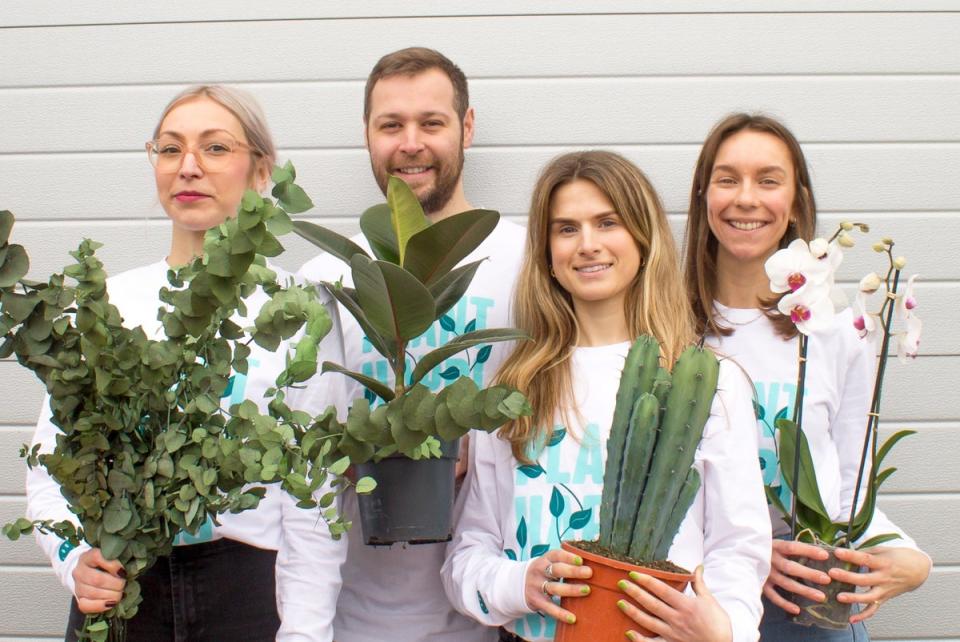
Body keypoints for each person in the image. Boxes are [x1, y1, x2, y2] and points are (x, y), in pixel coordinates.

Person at [25, 85, 347, 641]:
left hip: (246, 592)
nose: (189, 167)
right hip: (122, 591)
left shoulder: (300, 309)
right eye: (170, 149)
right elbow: (52, 461)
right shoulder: (108, 306)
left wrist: (305, 633)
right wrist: (74, 557)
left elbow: (317, 500)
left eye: (216, 148)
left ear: (261, 169)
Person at [442, 150, 772, 642]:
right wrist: (519, 582)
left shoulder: (710, 383)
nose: (588, 245)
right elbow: (468, 553)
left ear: (643, 239)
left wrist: (722, 630)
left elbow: (738, 546)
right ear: (547, 253)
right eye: (566, 228)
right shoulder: (509, 392)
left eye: (607, 222)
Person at [296, 47, 526, 642]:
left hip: (499, 610)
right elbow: (300, 452)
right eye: (390, 125)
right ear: (368, 136)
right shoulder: (327, 278)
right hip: (351, 614)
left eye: (432, 122)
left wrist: (491, 444)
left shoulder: (533, 264)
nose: (410, 143)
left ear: (467, 128)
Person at [682, 112, 931, 640]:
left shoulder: (837, 333)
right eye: (728, 179)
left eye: (768, 180)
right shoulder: (669, 330)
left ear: (795, 202)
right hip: (702, 609)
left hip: (810, 610)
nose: (746, 198)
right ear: (704, 196)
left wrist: (909, 560)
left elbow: (847, 491)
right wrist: (747, 553)